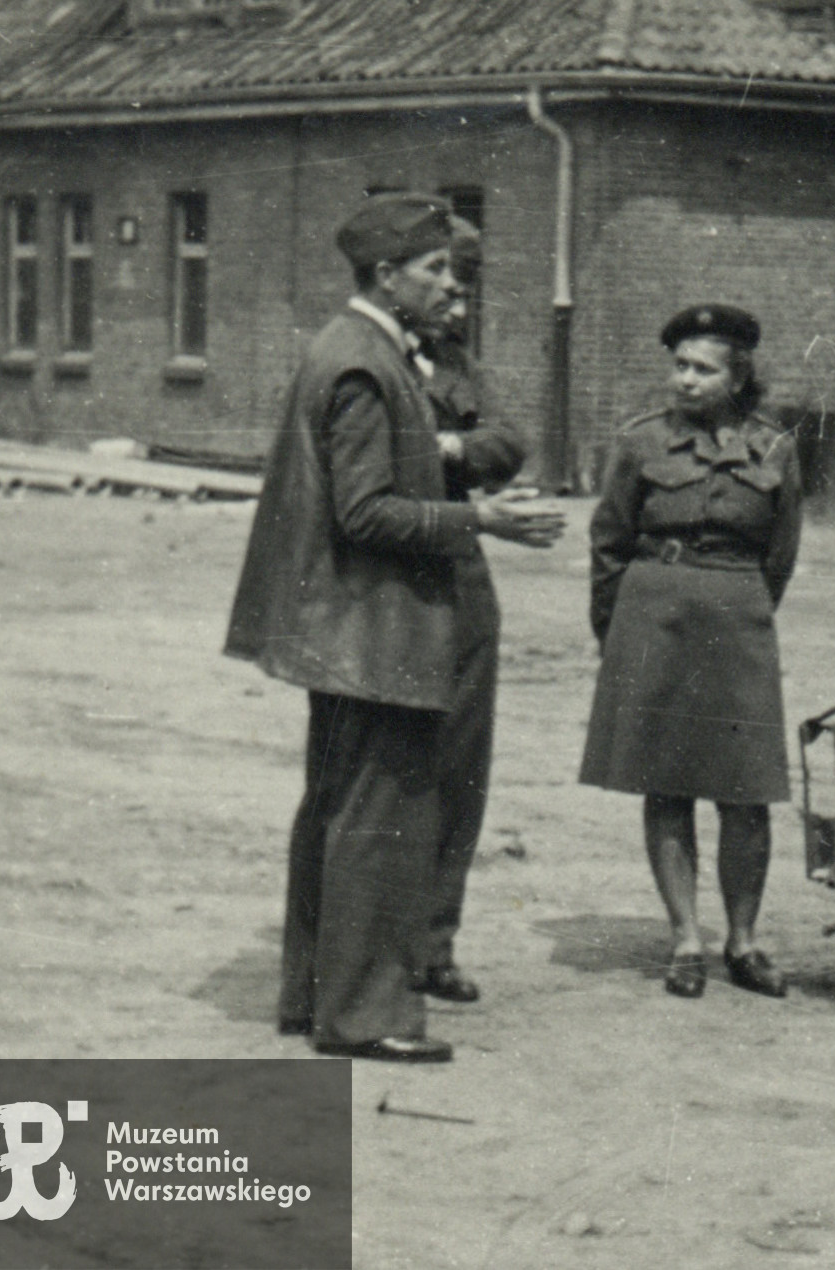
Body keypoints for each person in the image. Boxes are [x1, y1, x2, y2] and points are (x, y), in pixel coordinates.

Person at [225, 192, 563, 1063]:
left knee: (338, 815)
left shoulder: (363, 351)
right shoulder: (367, 367)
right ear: (386, 274)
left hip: (350, 631)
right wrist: (479, 521)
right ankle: (365, 1015)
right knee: (378, 820)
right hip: (374, 630)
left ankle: (314, 997)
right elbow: (367, 514)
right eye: (435, 268)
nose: (451, 282)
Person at [580, 304, 802, 1000]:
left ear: (738, 378)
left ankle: (744, 940)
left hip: (738, 617)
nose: (686, 380)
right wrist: (615, 635)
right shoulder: (639, 443)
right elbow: (609, 543)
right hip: (654, 616)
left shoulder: (774, 449)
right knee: (667, 781)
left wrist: (741, 606)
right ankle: (685, 940)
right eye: (679, 366)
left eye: (704, 369)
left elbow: (781, 555)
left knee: (747, 791)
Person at [408, 214, 531, 1006]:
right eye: (448, 280)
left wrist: (448, 449)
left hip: (460, 576)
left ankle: (434, 945)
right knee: (391, 778)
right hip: (391, 576)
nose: (458, 302)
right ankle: (373, 947)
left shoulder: (455, 363)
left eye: (468, 286)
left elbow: (508, 443)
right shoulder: (365, 359)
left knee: (459, 775)